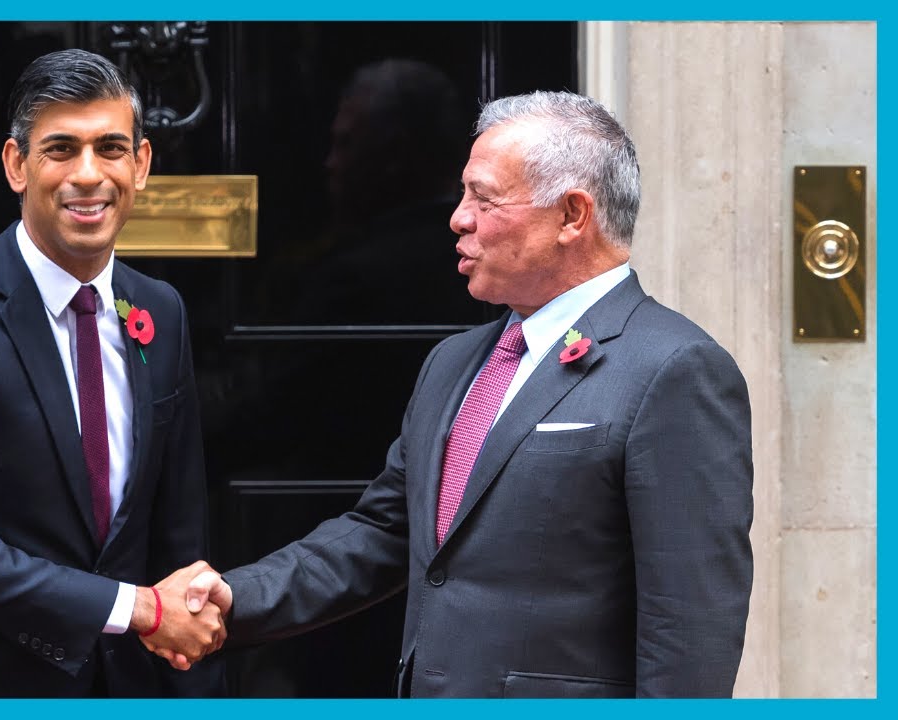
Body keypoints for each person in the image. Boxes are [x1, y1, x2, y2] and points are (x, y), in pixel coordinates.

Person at [152, 90, 755, 698]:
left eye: (485, 199)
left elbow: (691, 627)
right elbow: (384, 532)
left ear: (573, 216)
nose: (458, 217)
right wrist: (236, 597)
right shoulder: (455, 361)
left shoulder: (675, 368)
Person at [0, 49, 225, 698]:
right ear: (16, 164)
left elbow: (178, 533)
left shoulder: (160, 311)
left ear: (141, 165)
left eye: (111, 148)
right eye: (61, 149)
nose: (88, 175)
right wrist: (141, 609)